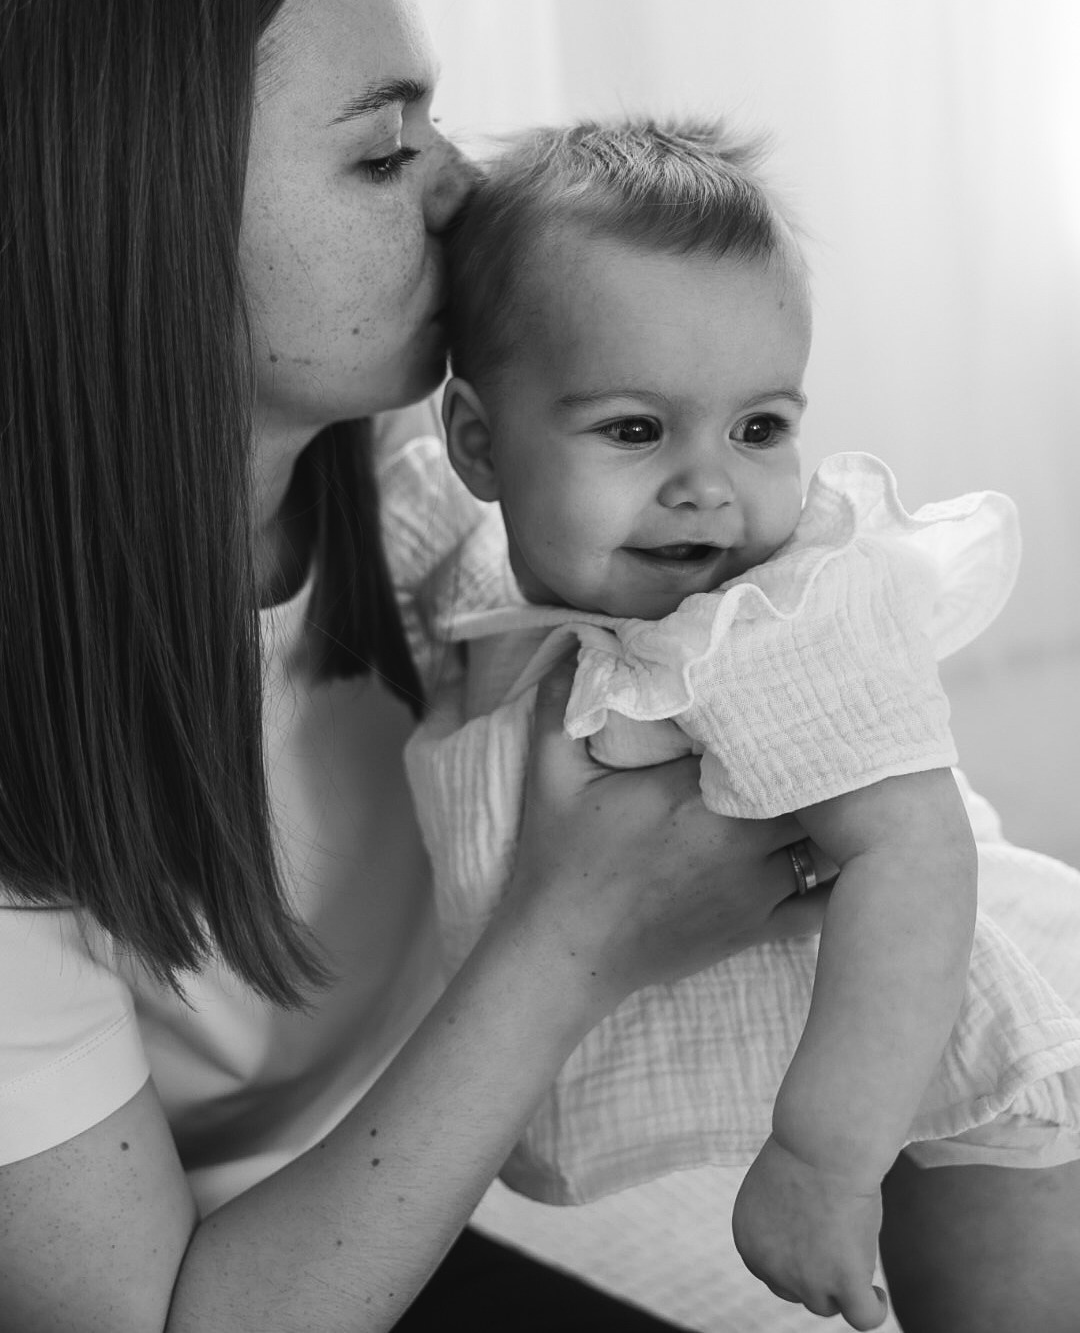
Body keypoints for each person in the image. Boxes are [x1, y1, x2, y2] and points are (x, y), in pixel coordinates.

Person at [0, 0, 845, 1333]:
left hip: (318, 1221)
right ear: (127, 215)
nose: (462, 187)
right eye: (385, 152)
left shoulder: (427, 493)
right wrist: (572, 942)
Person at [400, 117, 1080, 1330]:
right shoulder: (501, 592)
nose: (709, 484)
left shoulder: (770, 618)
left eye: (759, 428)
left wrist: (825, 1163)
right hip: (880, 1059)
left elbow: (917, 851)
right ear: (475, 444)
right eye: (634, 428)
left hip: (957, 1049)